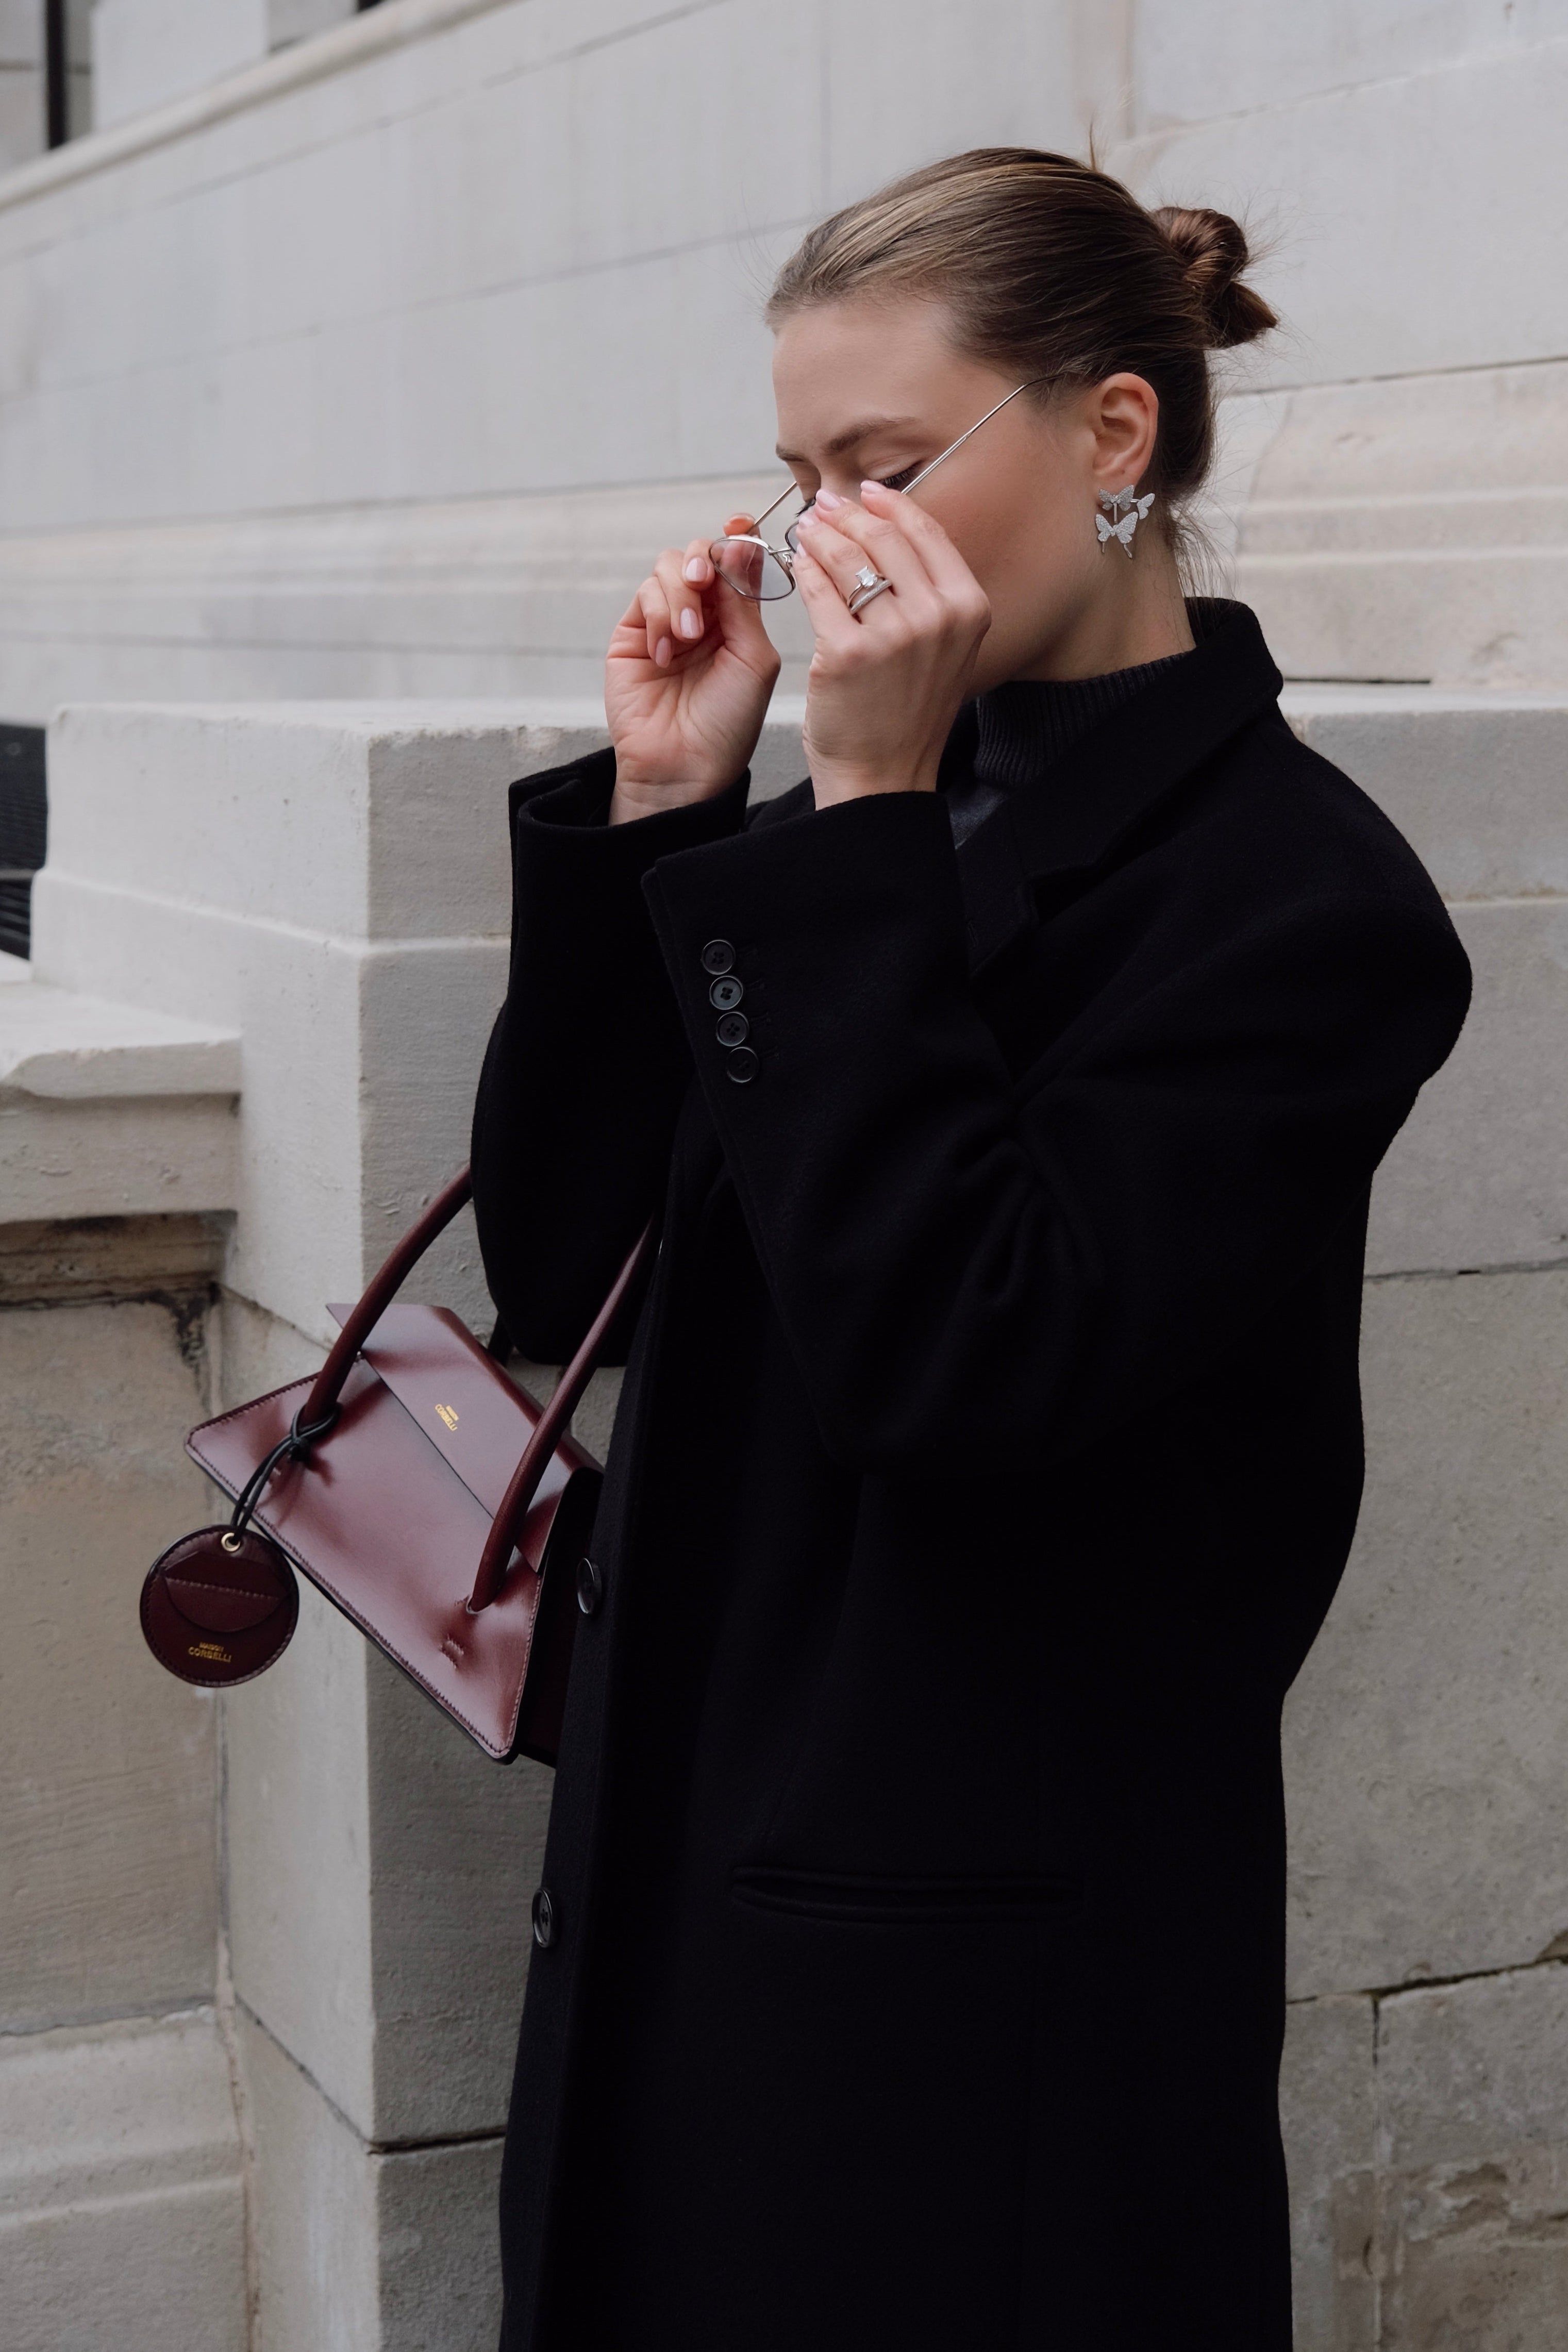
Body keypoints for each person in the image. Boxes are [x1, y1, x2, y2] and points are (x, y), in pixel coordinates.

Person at [471, 147, 1470, 2352]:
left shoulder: (1290, 901)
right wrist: (660, 807)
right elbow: (562, 1276)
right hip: (679, 1866)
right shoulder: (876, 809)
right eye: (793, 481)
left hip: (971, 1991)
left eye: (885, 464)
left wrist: (862, 827)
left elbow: (966, 1369)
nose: (822, 542)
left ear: (1110, 434)